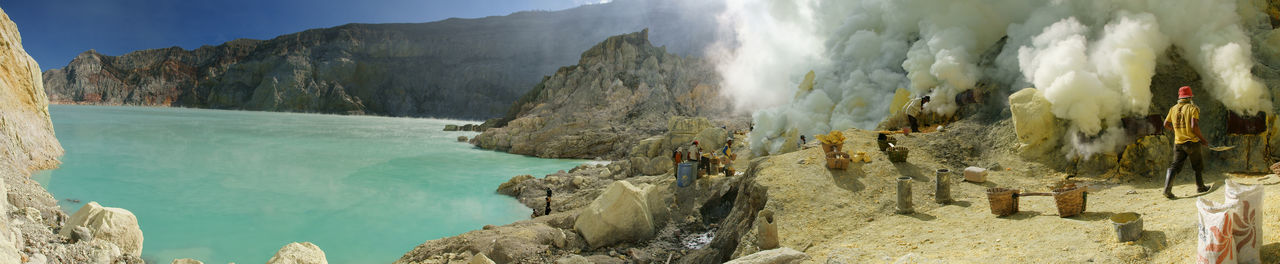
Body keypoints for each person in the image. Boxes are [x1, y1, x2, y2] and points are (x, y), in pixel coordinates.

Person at [1162, 86, 1211, 199]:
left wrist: (1176, 130)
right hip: (1192, 143)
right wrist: (1202, 140)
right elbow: (1194, 126)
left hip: (1178, 143)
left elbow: (1165, 124)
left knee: (1174, 166)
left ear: (1180, 97)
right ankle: (1200, 187)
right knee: (1197, 165)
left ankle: (1167, 190)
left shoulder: (1173, 108)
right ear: (1190, 97)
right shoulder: (1193, 108)